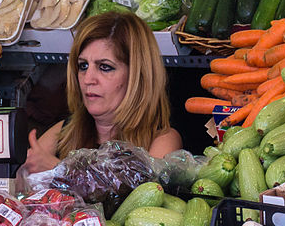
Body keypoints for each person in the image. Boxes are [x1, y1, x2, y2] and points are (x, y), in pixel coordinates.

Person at [24, 11, 182, 173]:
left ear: (138, 76)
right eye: (83, 66)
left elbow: (142, 192)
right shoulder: (64, 131)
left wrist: (59, 170)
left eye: (105, 67)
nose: (88, 79)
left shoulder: (163, 139)